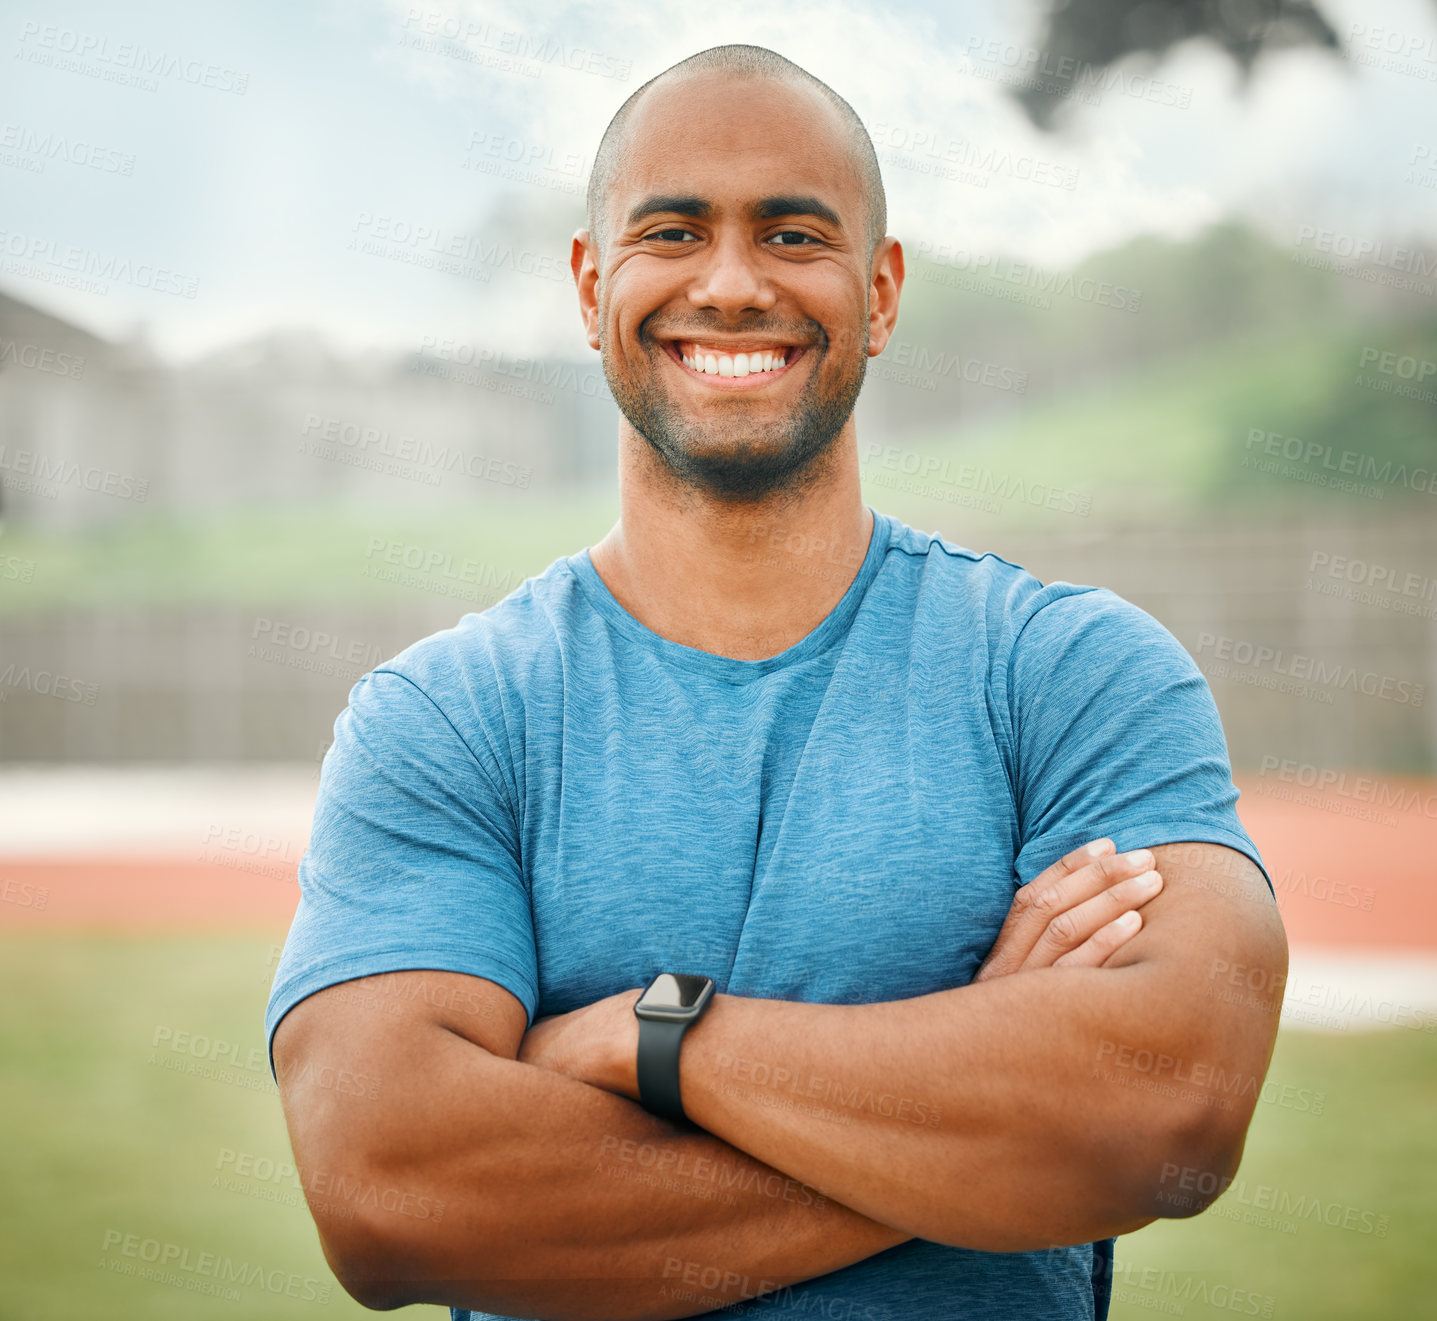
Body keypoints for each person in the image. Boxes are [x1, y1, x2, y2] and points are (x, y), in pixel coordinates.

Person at [267, 43, 1287, 1321]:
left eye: (794, 233)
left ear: (882, 289)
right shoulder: (449, 719)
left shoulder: (1071, 674)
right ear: (592, 288)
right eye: (674, 230)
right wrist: (984, 1133)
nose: (734, 284)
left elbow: (1171, 1109)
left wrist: (652, 1038)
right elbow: (390, 1194)